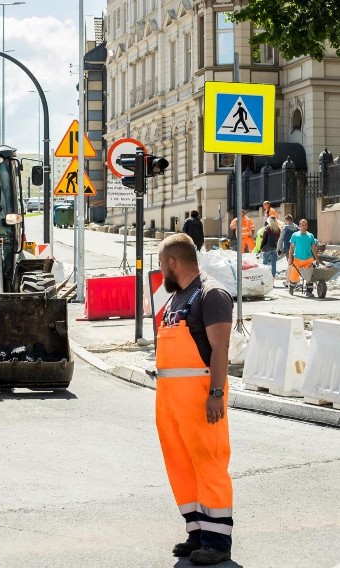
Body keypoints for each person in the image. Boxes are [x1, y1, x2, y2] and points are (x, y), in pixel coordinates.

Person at [155, 233, 234, 566]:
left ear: (173, 263)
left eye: (161, 266)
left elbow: (221, 348)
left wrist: (216, 394)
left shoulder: (210, 294)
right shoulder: (176, 298)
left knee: (209, 465)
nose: (161, 273)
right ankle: (198, 532)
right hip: (171, 402)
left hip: (201, 398)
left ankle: (218, 540)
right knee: (181, 465)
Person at [287, 219, 321, 297]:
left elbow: (313, 248)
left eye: (305, 225)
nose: (304, 226)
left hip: (308, 259)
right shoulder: (295, 235)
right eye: (302, 225)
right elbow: (291, 248)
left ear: (307, 226)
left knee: (309, 275)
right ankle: (291, 287)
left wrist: (317, 259)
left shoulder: (310, 236)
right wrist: (290, 259)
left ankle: (309, 291)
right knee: (295, 275)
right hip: (297, 259)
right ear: (299, 226)